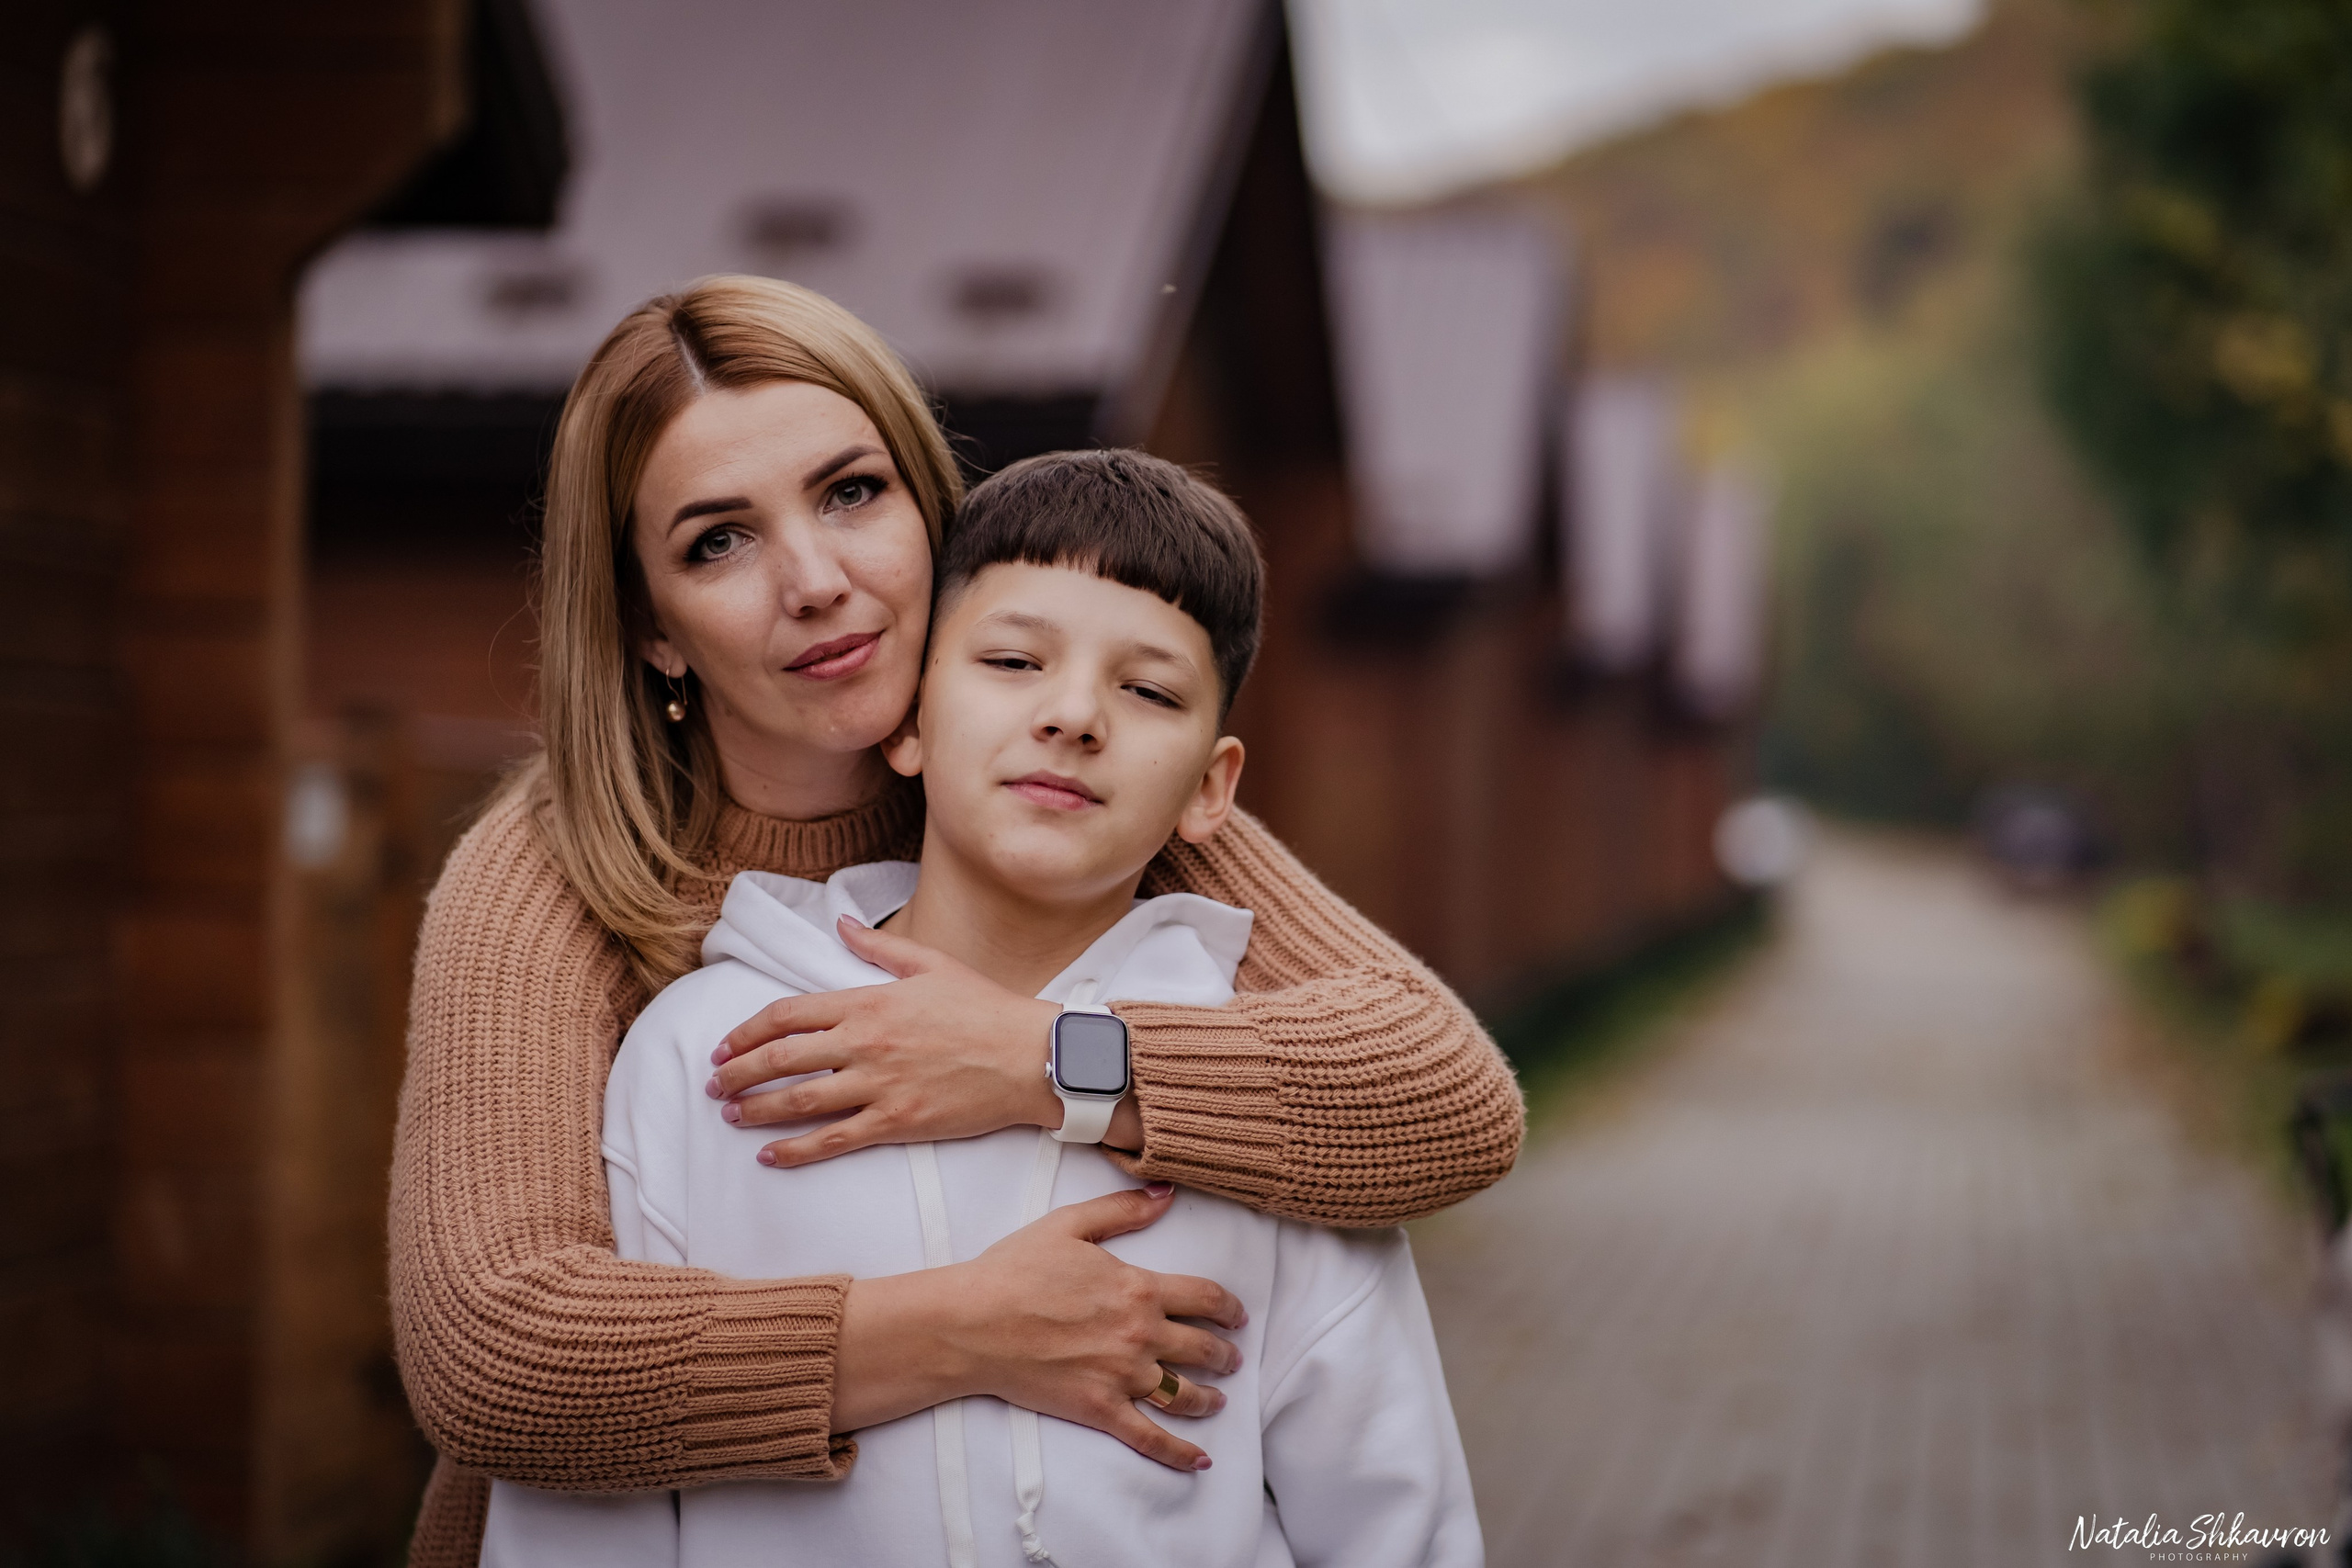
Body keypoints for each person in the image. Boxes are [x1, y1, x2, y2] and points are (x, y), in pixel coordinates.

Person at [390, 276, 1522, 1565]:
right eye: (719, 540)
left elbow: (1444, 1098)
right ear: (654, 627)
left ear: (935, 511)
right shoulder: (554, 873)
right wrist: (966, 1332)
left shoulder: (1068, 792)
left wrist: (1040, 1063)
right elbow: (496, 1355)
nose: (815, 580)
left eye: (851, 493)